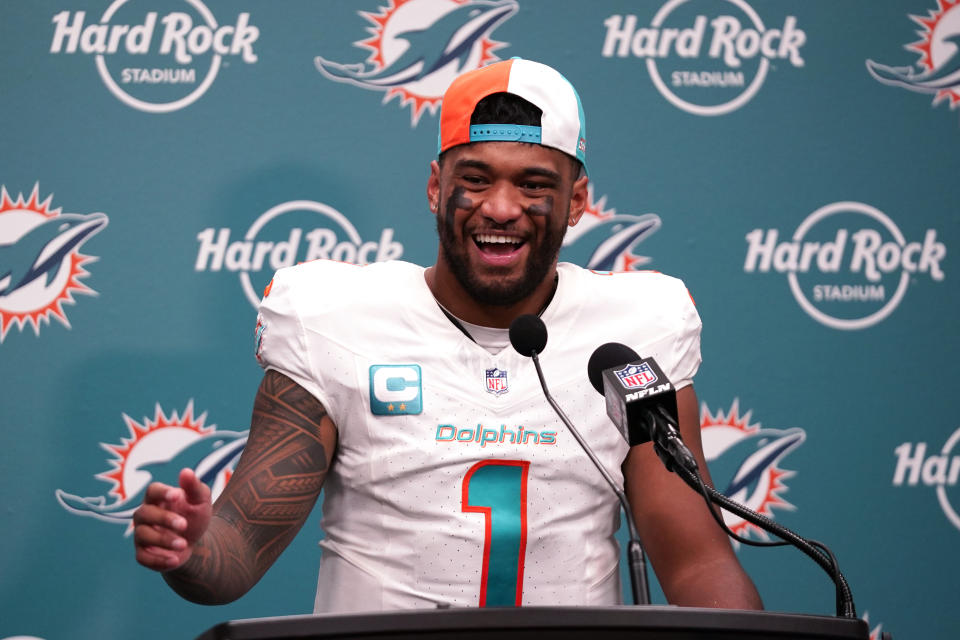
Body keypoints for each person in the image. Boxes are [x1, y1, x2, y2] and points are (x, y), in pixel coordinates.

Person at [133, 58, 762, 612]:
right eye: (477, 178)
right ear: (437, 187)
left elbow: (697, 562)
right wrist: (191, 551)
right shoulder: (337, 318)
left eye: (534, 184)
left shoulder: (630, 335)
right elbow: (238, 545)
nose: (500, 207)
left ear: (577, 202)